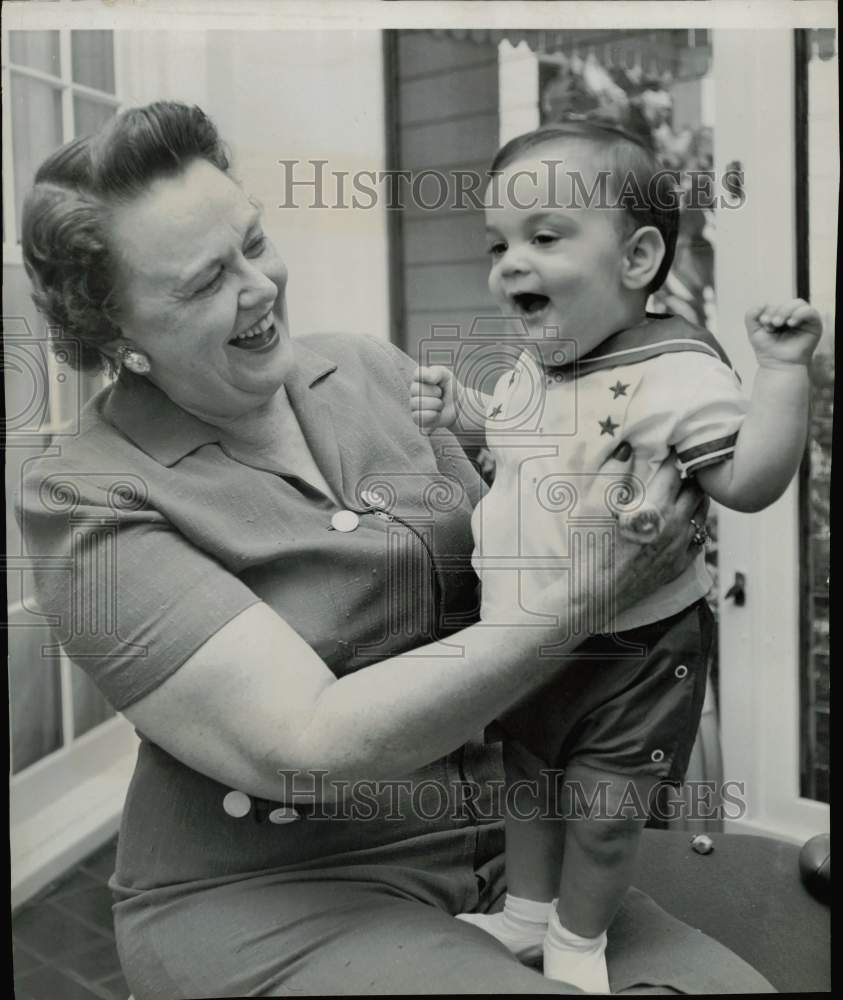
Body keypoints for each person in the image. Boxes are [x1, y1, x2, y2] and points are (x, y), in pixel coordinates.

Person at [15, 102, 774, 999]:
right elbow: (306, 745)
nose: (258, 289)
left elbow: (520, 540)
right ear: (116, 338)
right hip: (279, 894)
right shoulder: (86, 492)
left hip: (514, 852)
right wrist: (584, 598)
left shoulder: (367, 372)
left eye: (254, 244)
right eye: (202, 282)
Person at [411, 120, 821, 993]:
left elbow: (747, 481)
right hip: (528, 636)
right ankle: (526, 913)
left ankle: (577, 942)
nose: (509, 262)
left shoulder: (676, 373)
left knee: (601, 813)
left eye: (544, 237)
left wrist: (782, 375)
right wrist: (462, 414)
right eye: (498, 244)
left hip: (634, 652)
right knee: (526, 782)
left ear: (636, 260)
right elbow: (522, 438)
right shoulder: (539, 362)